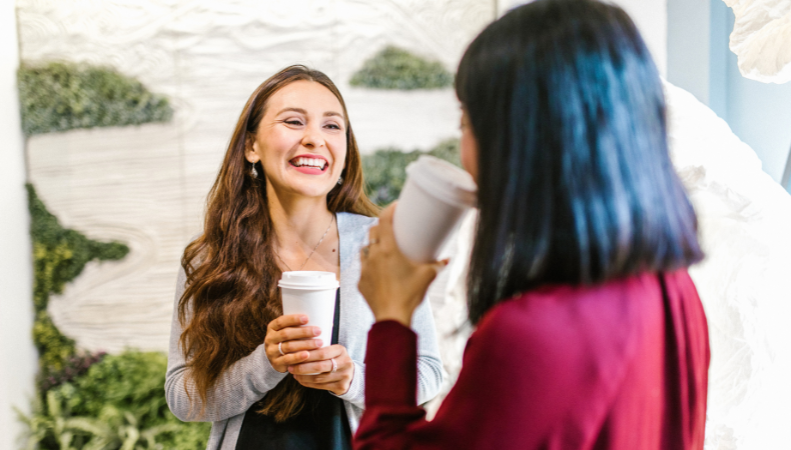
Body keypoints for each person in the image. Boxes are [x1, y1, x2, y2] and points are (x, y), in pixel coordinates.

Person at [354, 1, 710, 449]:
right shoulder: (672, 289)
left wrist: (391, 315)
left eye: (466, 122)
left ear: (520, 140)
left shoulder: (533, 335)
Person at [165, 65, 444, 450]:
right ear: (251, 146)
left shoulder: (383, 244)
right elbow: (183, 398)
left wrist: (352, 378)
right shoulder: (211, 257)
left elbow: (428, 373)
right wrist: (266, 362)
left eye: (332, 126)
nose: (315, 138)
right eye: (294, 121)